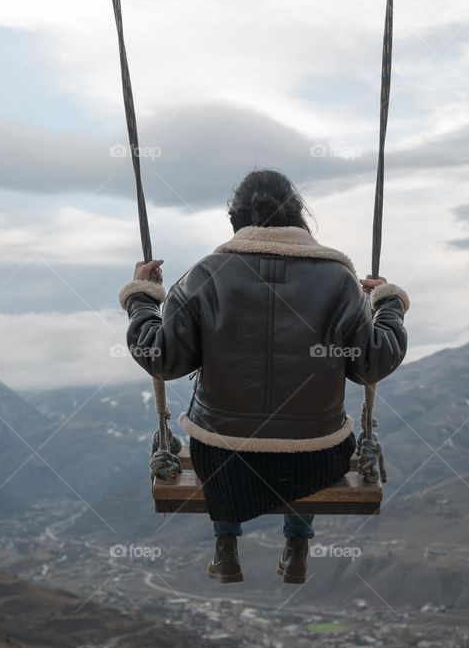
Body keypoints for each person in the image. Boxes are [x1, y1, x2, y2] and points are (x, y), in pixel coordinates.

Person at [119, 168, 409, 585]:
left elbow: (161, 358)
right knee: (306, 434)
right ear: (297, 216)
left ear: (237, 220)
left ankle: (226, 546)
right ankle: (296, 546)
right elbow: (372, 364)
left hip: (224, 461)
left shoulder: (205, 276)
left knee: (216, 433)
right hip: (316, 459)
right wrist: (388, 304)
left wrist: (142, 299)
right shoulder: (340, 281)